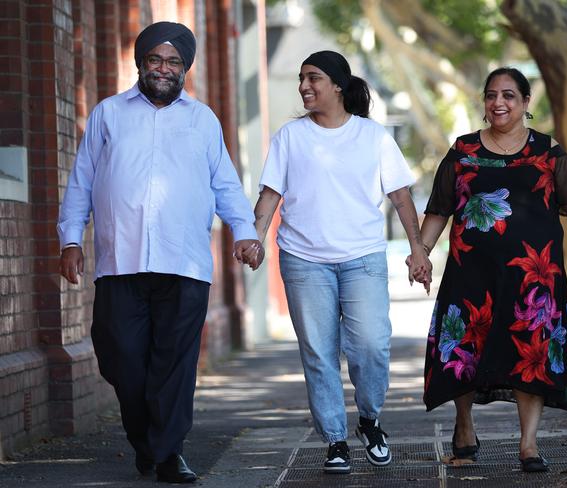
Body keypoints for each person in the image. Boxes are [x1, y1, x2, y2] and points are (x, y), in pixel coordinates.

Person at [57, 21, 263, 484]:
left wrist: (244, 232)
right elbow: (81, 183)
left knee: (174, 364)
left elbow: (224, 184)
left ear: (185, 68)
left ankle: (169, 453)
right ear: (141, 63)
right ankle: (146, 439)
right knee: (121, 359)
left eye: (173, 62)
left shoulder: (202, 119)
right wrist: (71, 239)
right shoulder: (108, 115)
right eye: (155, 60)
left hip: (184, 261)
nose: (164, 69)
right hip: (120, 260)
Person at [252, 50, 431, 474]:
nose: (303, 86)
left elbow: (401, 197)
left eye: (313, 77)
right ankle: (335, 438)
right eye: (301, 78)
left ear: (337, 85)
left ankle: (369, 419)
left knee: (371, 345)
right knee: (319, 352)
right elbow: (270, 196)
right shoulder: (290, 137)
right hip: (303, 260)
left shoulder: (372, 137)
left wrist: (418, 249)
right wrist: (253, 238)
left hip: (363, 258)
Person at [412, 67, 567, 473]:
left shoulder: (548, 152)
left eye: (509, 95)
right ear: (484, 102)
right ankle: (464, 428)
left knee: (530, 355)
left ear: (526, 103)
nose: (499, 103)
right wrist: (421, 252)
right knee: (464, 350)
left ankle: (529, 444)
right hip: (470, 272)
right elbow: (439, 209)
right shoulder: (462, 152)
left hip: (535, 277)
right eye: (492, 95)